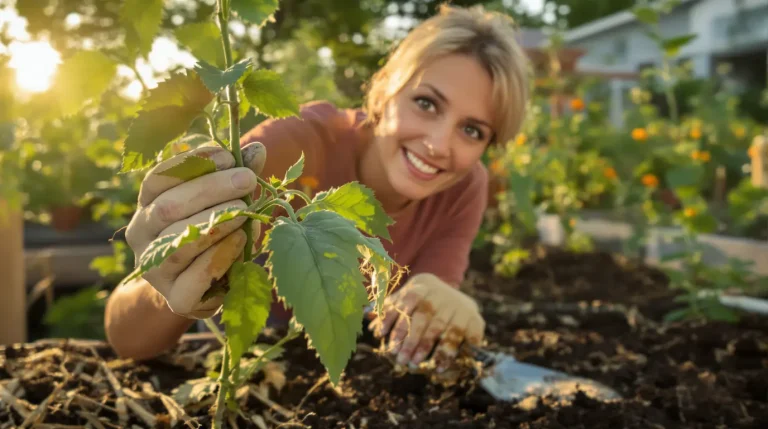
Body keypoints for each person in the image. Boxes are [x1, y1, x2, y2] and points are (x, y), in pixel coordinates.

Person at [104, 4, 529, 372]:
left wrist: (451, 308)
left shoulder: (463, 188)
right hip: (237, 358)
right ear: (383, 92)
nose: (439, 145)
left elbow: (426, 302)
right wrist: (170, 281)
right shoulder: (296, 147)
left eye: (472, 130)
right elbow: (127, 340)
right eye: (426, 103)